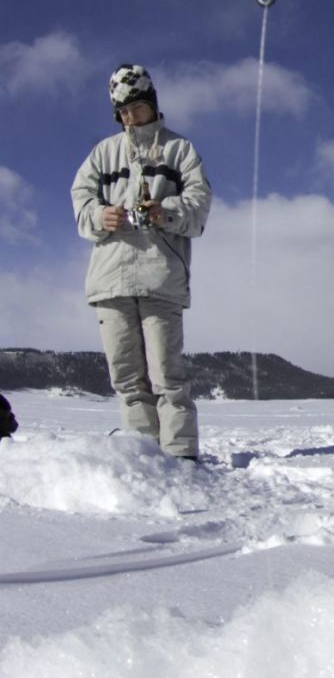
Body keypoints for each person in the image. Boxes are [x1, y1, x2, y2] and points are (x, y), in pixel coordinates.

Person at [71, 65, 212, 461]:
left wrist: (164, 212)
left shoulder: (179, 150)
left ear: (152, 104)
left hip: (160, 278)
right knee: (128, 379)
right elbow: (81, 200)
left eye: (136, 106)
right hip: (110, 280)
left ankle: (182, 456)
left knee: (167, 375)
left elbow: (199, 207)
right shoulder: (102, 153)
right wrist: (101, 217)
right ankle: (144, 458)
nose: (129, 116)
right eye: (122, 111)